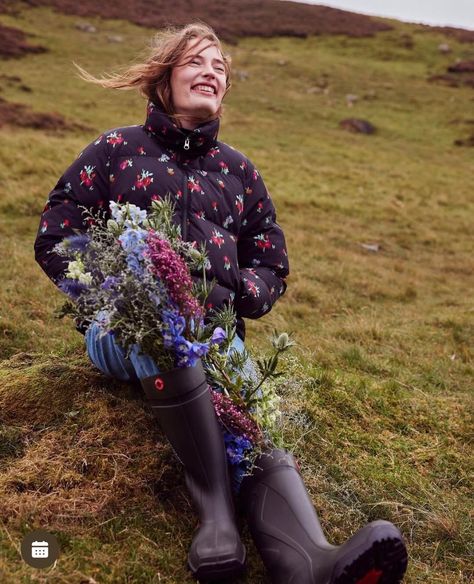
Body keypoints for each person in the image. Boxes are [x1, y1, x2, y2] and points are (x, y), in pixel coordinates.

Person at [34, 23, 407, 584]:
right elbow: (58, 229)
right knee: (160, 313)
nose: (211, 72)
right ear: (164, 78)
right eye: (196, 62)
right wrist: (110, 290)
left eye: (220, 68)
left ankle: (306, 559)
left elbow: (269, 258)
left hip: (213, 335)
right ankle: (217, 525)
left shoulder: (238, 170)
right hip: (121, 329)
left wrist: (238, 295)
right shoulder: (117, 149)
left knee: (248, 398)